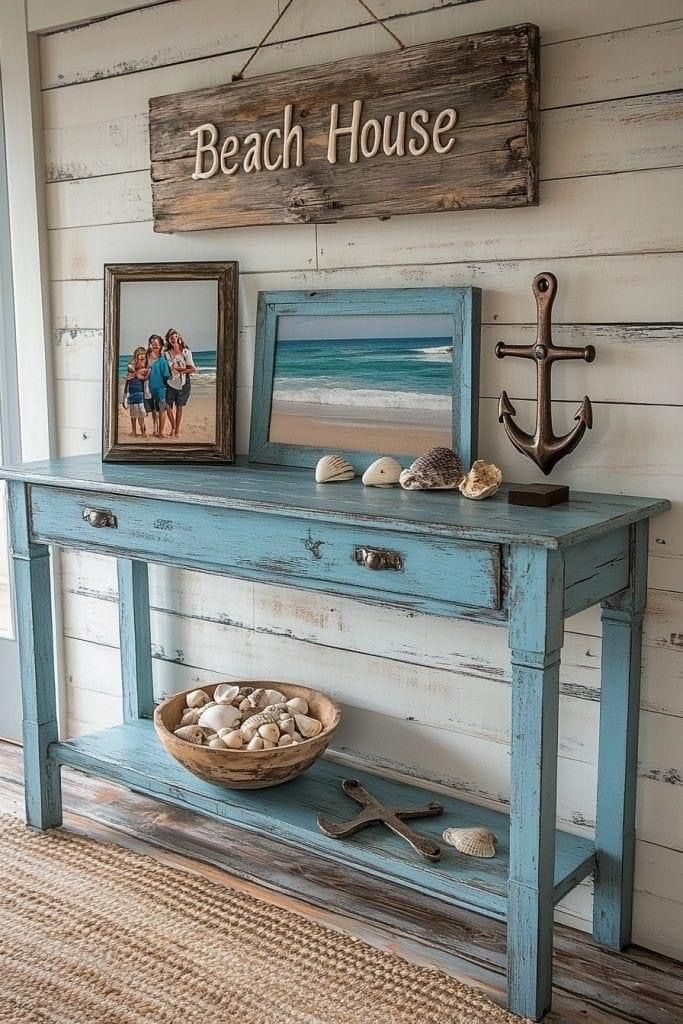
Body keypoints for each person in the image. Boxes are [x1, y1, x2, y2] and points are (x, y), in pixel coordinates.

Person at [163, 328, 196, 438]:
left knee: (179, 406)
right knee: (168, 406)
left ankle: (176, 430)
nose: (173, 338)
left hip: (183, 382)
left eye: (175, 336)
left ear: (179, 337)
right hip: (171, 382)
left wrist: (181, 370)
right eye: (171, 337)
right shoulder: (166, 354)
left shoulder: (186, 351)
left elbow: (192, 369)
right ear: (168, 340)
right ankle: (173, 427)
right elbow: (168, 368)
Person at [122, 346, 149, 437]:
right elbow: (127, 381)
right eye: (139, 358)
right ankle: (134, 431)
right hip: (132, 393)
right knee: (133, 414)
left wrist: (140, 374)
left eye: (143, 358)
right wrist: (125, 395)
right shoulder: (131, 367)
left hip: (140, 393)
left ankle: (143, 431)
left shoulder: (145, 369)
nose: (141, 360)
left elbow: (146, 377)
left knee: (141, 414)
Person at [146, 334, 170, 437]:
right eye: (152, 343)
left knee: (162, 410)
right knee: (154, 411)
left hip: (160, 389)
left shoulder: (162, 361)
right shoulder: (146, 359)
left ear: (161, 346)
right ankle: (155, 430)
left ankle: (161, 432)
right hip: (149, 389)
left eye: (157, 344)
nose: (154, 346)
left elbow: (166, 376)